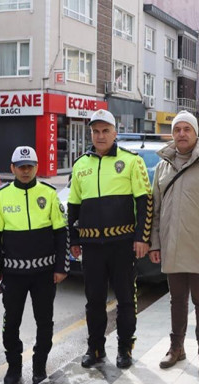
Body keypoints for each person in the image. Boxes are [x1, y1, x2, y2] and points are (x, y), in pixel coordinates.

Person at [68, 109, 152, 370]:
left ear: (115, 133)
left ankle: (125, 348)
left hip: (122, 244)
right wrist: (74, 240)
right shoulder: (80, 164)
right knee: (94, 301)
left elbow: (145, 202)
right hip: (92, 246)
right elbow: (73, 206)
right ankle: (95, 348)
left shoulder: (131, 161)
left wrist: (142, 237)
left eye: (105, 131)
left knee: (126, 299)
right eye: (95, 131)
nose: (100, 136)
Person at [148, 111, 199, 377]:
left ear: (196, 133)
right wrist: (155, 244)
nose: (182, 134)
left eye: (187, 129)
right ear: (172, 134)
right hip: (171, 245)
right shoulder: (162, 166)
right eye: (177, 129)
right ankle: (177, 348)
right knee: (176, 300)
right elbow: (155, 210)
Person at [0, 146, 68, 384]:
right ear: (12, 168)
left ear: (36, 167)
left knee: (45, 322)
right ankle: (14, 367)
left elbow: (62, 233)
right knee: (11, 323)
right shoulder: (0, 196)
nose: (25, 170)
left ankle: (40, 366)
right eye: (20, 166)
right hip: (13, 275)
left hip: (45, 274)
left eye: (30, 166)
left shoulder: (49, 193)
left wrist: (61, 267)